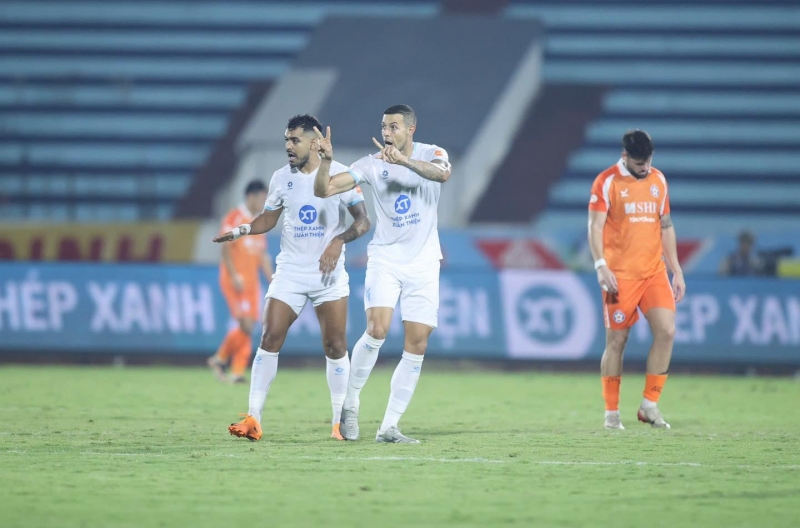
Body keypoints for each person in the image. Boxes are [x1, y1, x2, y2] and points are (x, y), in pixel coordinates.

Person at [218, 114, 370, 441]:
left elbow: (363, 222)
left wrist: (337, 240)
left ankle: (337, 424)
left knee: (335, 345)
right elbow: (267, 221)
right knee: (269, 337)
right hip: (290, 272)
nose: (288, 146)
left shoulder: (342, 175)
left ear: (314, 143)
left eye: (294, 140)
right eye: (286, 139)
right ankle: (253, 418)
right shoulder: (281, 178)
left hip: (328, 274)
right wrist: (241, 231)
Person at [313, 104, 452, 444]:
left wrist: (404, 162)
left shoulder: (432, 152)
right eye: (383, 127)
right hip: (386, 260)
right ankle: (350, 401)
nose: (387, 133)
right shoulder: (371, 164)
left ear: (410, 130)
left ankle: (389, 427)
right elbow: (324, 189)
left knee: (417, 344)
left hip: (423, 263)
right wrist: (327, 162)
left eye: (393, 127)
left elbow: (442, 174)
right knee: (376, 329)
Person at [587, 129, 685, 430]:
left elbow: (665, 225)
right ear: (625, 156)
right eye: (640, 162)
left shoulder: (659, 180)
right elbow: (594, 226)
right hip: (620, 276)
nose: (645, 168)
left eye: (648, 161)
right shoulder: (607, 182)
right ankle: (611, 413)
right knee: (617, 340)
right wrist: (601, 266)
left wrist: (676, 269)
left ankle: (649, 406)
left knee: (667, 332)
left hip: (653, 272)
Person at [207, 180, 273, 384]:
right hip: (234, 279)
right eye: (262, 198)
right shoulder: (235, 216)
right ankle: (220, 358)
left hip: (251, 283)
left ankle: (236, 371)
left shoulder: (258, 222)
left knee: (250, 326)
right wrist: (234, 274)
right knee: (245, 324)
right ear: (251, 197)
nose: (263, 203)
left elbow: (262, 255)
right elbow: (225, 247)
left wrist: (272, 280)